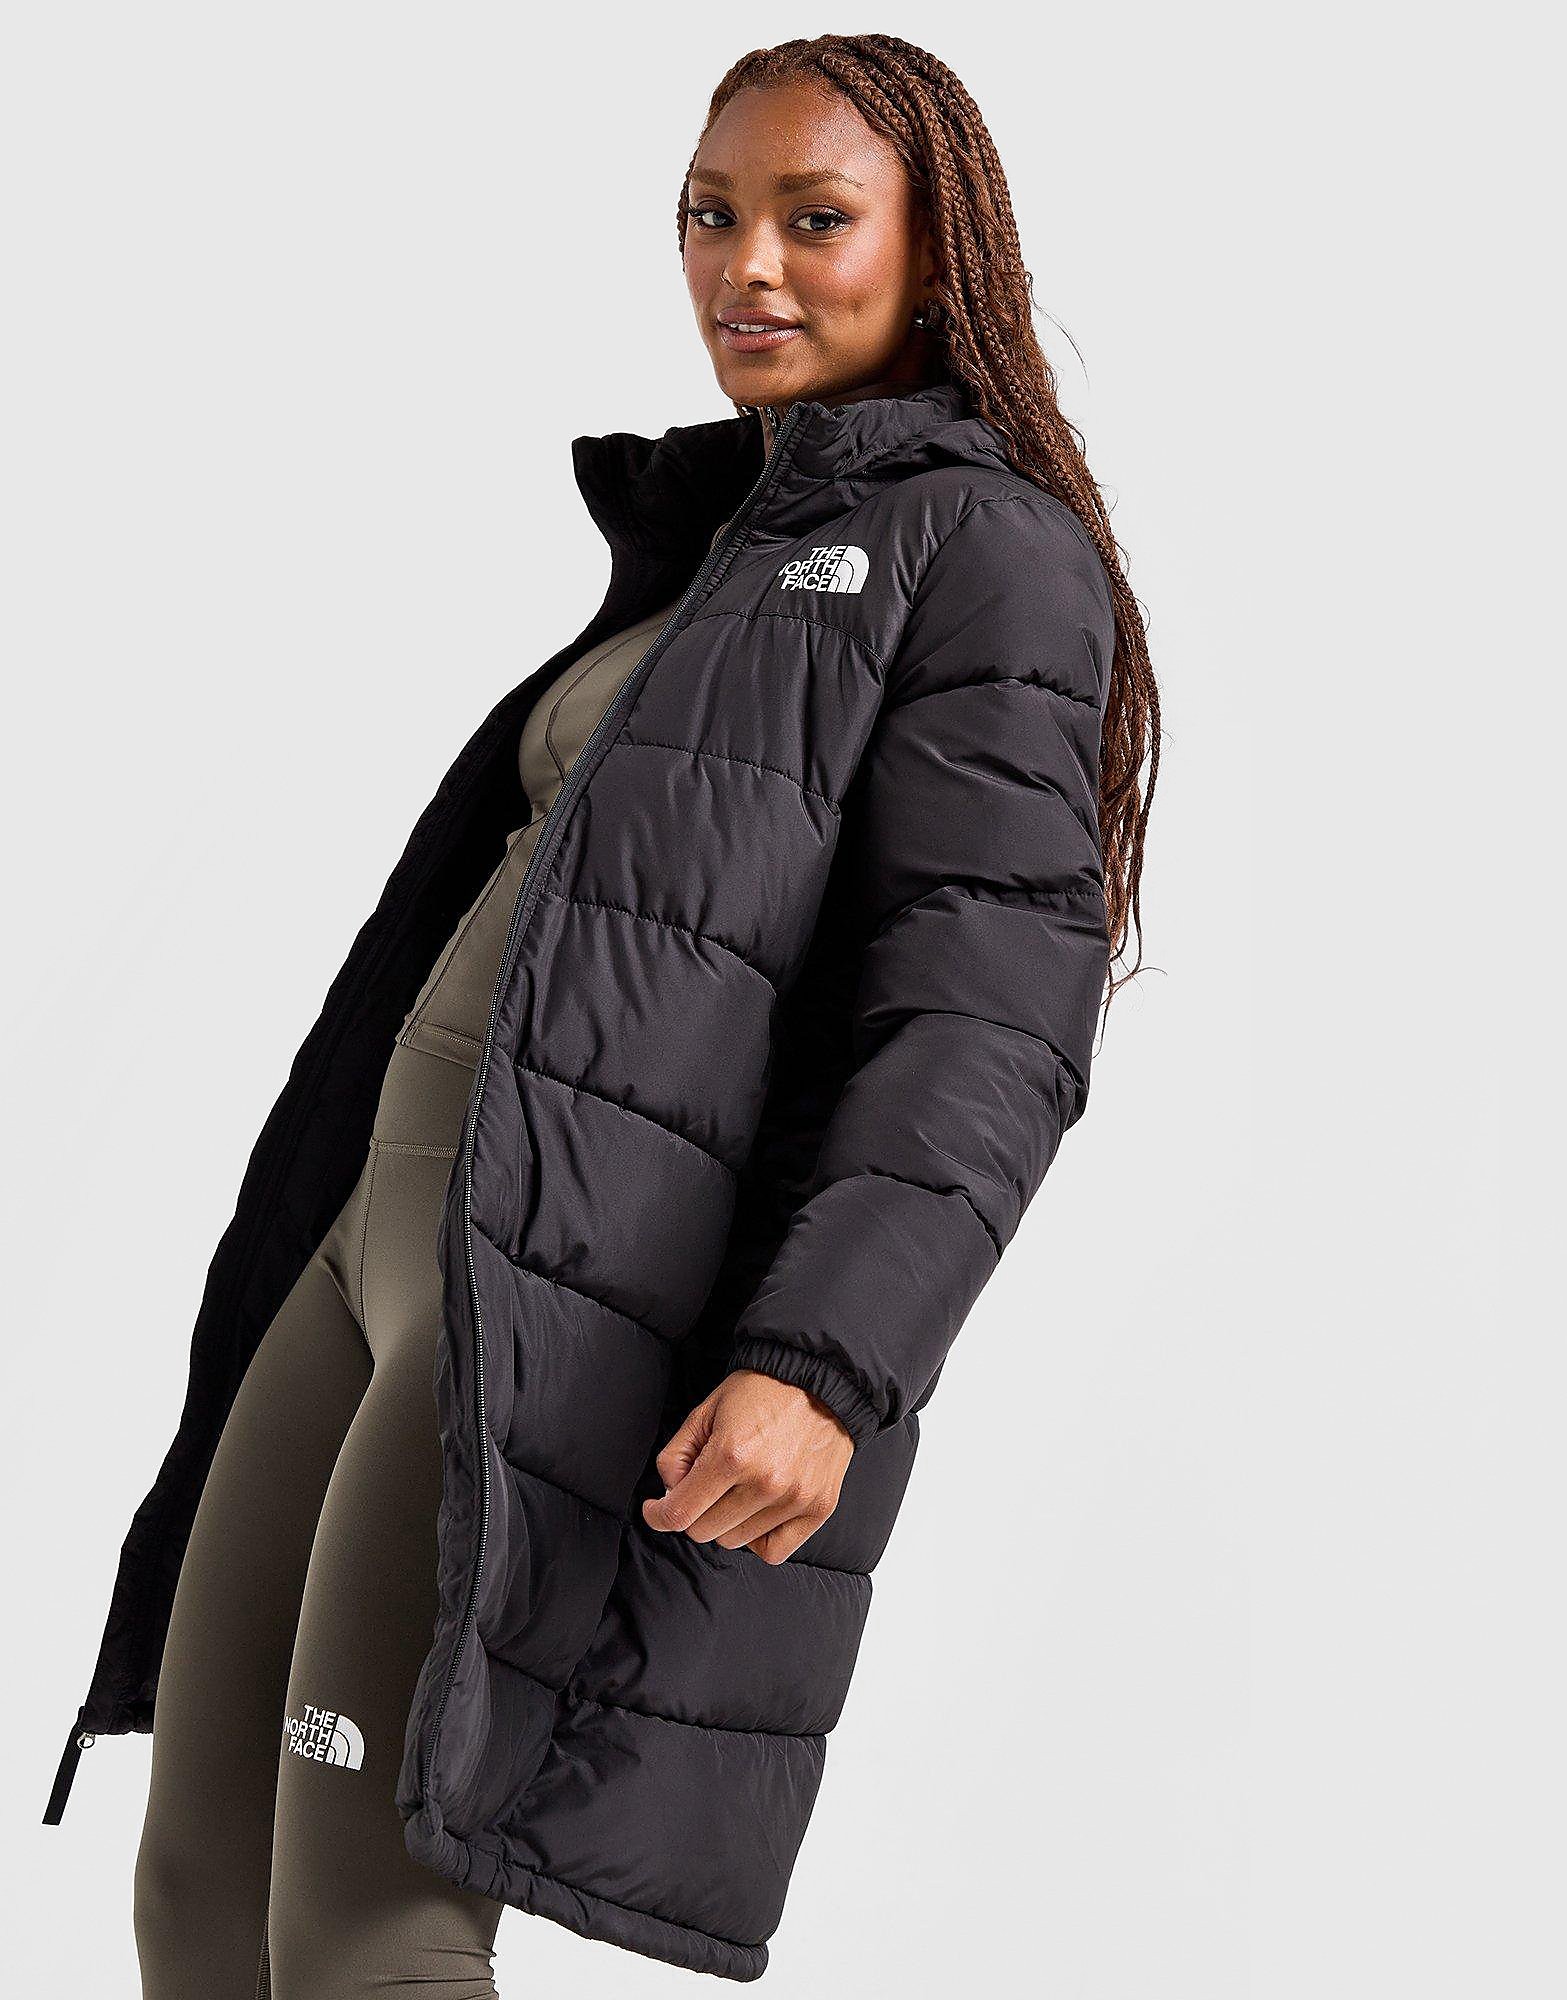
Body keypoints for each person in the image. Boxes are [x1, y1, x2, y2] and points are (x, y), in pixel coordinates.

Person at [44, 32, 1158, 1996]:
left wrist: (825, 1363)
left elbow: (988, 1009)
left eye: (816, 218)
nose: (749, 264)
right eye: (711, 215)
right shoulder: (720, 545)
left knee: (369, 1925)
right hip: (371, 1250)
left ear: (939, 249)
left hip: (546, 1301)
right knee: (201, 1893)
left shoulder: (978, 553)